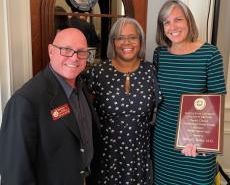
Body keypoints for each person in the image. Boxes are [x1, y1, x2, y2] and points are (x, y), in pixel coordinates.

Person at [0, 28, 99, 185]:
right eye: (66, 50)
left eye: (81, 52)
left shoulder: (81, 86)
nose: (75, 58)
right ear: (51, 51)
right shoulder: (25, 102)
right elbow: (15, 175)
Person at [151, 0, 226, 185]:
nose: (172, 26)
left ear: (188, 22)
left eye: (178, 19)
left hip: (195, 142)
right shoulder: (160, 54)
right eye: (166, 22)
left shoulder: (210, 54)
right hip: (164, 139)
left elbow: (217, 103)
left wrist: (200, 142)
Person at [84, 17, 162, 185]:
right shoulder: (97, 73)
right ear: (113, 42)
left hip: (138, 155)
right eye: (120, 37)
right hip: (106, 154)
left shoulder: (151, 71)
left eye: (133, 37)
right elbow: (81, 112)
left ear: (140, 41)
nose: (127, 42)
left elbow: (167, 107)